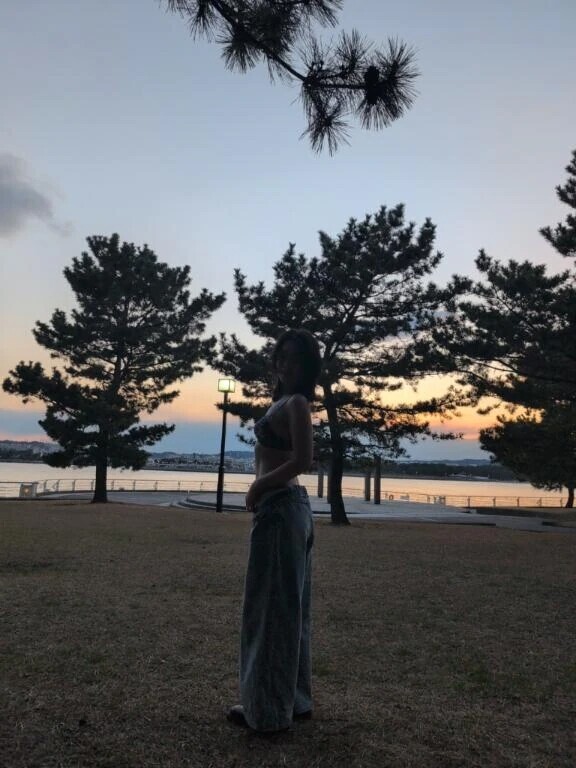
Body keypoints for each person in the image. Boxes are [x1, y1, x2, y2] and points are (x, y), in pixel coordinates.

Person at [227, 328, 323, 734]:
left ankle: (267, 711)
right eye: (281, 356)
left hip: (282, 508)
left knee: (270, 611)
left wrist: (259, 485)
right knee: (288, 609)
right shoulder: (282, 402)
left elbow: (303, 460)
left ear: (307, 365)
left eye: (294, 358)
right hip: (284, 508)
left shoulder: (297, 403)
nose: (285, 363)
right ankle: (293, 700)